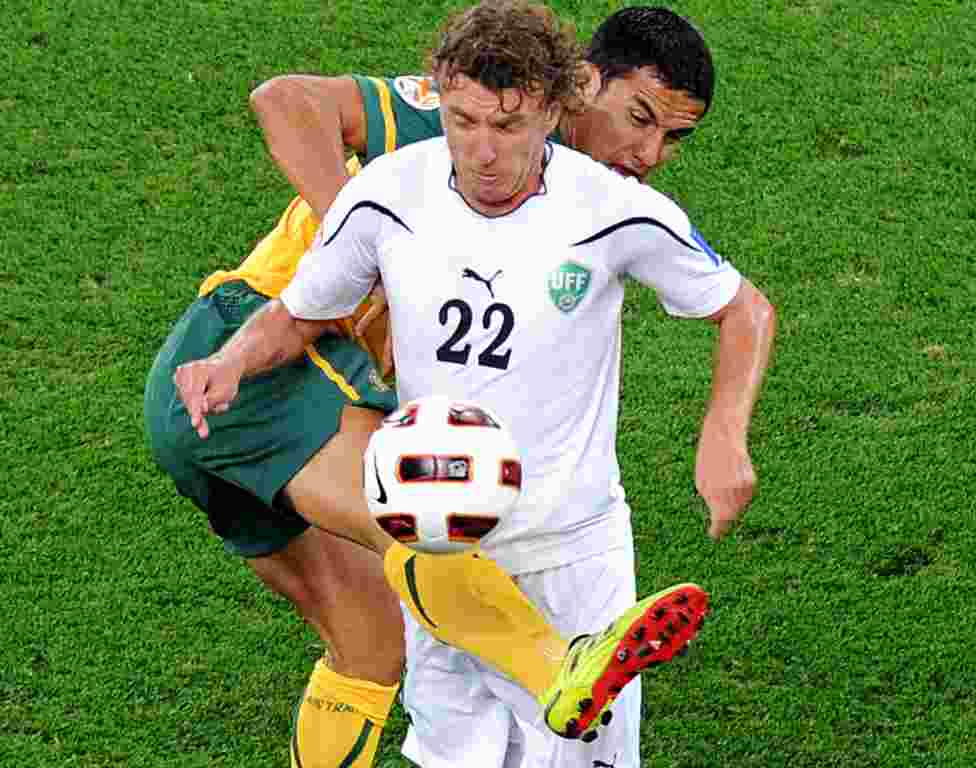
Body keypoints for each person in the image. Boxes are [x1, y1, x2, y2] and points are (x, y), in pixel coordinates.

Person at [163, 4, 776, 768]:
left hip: (231, 410)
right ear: (580, 88)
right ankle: (560, 669)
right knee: (429, 510)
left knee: (370, 644)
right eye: (638, 119)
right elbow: (285, 101)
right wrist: (359, 240)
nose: (648, 152)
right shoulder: (425, 157)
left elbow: (741, 305)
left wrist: (723, 432)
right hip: (254, 366)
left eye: (672, 138)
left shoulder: (607, 206)